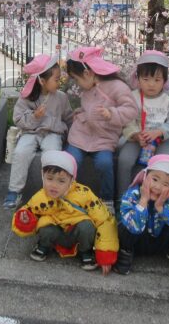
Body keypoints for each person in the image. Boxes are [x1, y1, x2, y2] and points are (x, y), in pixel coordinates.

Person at [11, 150, 118, 274]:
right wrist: (25, 219)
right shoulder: (41, 197)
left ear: (71, 180)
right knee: (45, 226)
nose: (54, 185)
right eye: (49, 179)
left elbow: (105, 220)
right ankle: (44, 245)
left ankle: (86, 251)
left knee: (87, 226)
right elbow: (28, 210)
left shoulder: (83, 194)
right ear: (42, 177)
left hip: (77, 234)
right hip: (56, 235)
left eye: (61, 181)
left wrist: (106, 254)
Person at [65, 46, 139, 214]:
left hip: (104, 138)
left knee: (104, 163)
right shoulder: (88, 87)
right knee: (71, 160)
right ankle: (67, 195)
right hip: (82, 134)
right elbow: (88, 108)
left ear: (87, 74)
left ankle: (107, 200)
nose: (77, 84)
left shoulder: (116, 87)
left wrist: (112, 113)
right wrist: (81, 113)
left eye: (76, 79)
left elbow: (131, 110)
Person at [3, 55, 73, 209]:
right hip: (30, 132)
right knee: (21, 153)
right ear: (42, 81)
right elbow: (18, 118)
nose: (59, 82)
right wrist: (34, 117)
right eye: (56, 79)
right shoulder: (27, 97)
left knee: (52, 153)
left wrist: (70, 137)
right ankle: (15, 190)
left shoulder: (61, 97)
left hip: (53, 133)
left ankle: (51, 191)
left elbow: (69, 118)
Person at [114, 154, 169, 275]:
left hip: (160, 242)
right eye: (155, 179)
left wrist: (161, 208)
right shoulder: (132, 194)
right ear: (145, 176)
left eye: (166, 185)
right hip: (137, 241)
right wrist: (143, 201)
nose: (157, 187)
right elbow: (133, 226)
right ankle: (126, 252)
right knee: (124, 225)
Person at [117, 50, 169, 199]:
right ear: (137, 78)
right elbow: (128, 120)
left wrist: (159, 132)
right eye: (146, 79)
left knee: (166, 162)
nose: (151, 84)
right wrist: (136, 134)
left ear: (164, 80)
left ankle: (164, 200)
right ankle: (122, 198)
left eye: (157, 80)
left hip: (161, 140)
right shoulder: (133, 97)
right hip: (137, 139)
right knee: (125, 160)